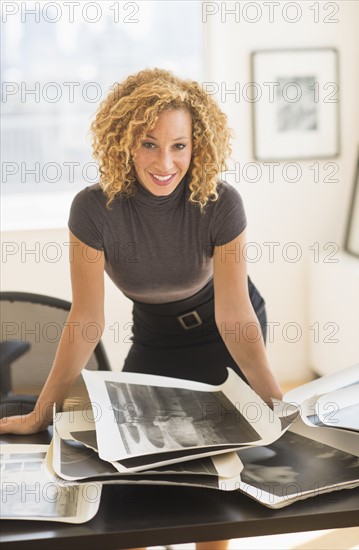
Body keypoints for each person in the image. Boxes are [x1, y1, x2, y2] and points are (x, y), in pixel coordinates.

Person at [0, 68, 283, 549]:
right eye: (149, 144)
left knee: (213, 493)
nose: (165, 162)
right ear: (123, 143)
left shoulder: (220, 203)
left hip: (226, 334)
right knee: (129, 484)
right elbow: (87, 318)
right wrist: (41, 412)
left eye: (179, 145)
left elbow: (234, 317)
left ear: (198, 147)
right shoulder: (93, 211)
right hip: (155, 337)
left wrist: (277, 403)